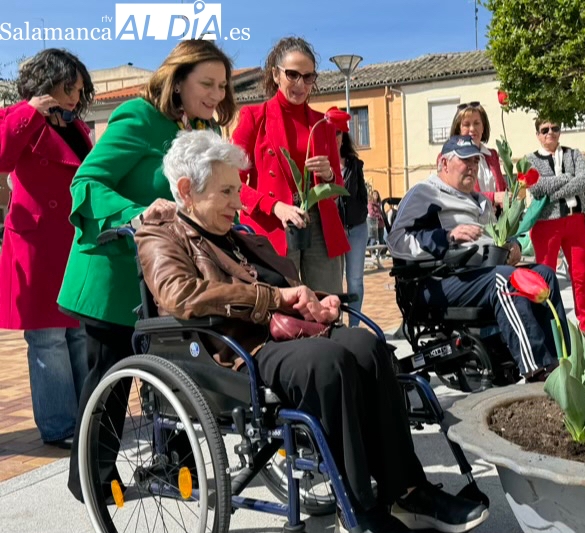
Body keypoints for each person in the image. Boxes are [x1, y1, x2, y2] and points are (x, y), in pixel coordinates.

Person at [135, 130, 489, 533]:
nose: (238, 203)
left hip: (285, 333)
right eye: (227, 192)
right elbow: (180, 294)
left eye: (237, 190)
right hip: (237, 350)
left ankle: (407, 492)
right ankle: (358, 507)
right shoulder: (161, 234)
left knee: (368, 346)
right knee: (329, 363)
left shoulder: (234, 235)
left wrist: (319, 300)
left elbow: (281, 286)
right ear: (186, 190)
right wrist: (274, 299)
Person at [58, 39, 236, 501]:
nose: (217, 94)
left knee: (184, 366)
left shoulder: (200, 128)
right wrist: (135, 212)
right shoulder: (137, 117)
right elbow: (87, 181)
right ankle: (91, 480)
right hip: (114, 273)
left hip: (168, 273)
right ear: (177, 81)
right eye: (207, 83)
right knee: (110, 382)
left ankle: (174, 460)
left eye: (222, 85)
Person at [388, 135, 570, 380]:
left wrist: (513, 246)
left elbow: (499, 237)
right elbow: (396, 240)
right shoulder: (425, 193)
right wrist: (447, 236)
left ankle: (564, 362)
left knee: (543, 275)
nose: (473, 167)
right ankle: (538, 370)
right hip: (439, 279)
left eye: (475, 161)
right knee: (506, 281)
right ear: (443, 163)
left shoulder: (480, 201)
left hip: (479, 273)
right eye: (466, 161)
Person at [0, 49, 94, 449]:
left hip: (72, 240)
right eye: (68, 86)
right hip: (36, 243)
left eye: (79, 88)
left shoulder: (77, 127)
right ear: (46, 83)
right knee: (47, 338)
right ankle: (59, 426)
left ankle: (86, 416)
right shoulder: (15, 119)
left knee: (77, 333)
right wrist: (29, 110)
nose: (75, 96)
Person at [232, 36, 348, 294]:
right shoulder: (253, 117)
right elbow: (231, 183)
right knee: (285, 306)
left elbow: (338, 185)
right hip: (274, 223)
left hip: (320, 224)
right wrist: (275, 206)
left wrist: (328, 173)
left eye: (308, 77)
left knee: (327, 302)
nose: (300, 84)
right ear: (276, 74)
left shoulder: (323, 123)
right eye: (293, 75)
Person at [525, 119, 585, 346]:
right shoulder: (530, 160)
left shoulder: (573, 154)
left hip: (576, 222)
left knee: (581, 276)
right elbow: (536, 188)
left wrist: (555, 189)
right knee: (544, 280)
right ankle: (549, 329)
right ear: (538, 134)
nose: (550, 133)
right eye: (545, 130)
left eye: (555, 128)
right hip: (546, 226)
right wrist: (566, 179)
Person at [338, 130, 369, 326]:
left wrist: (361, 211)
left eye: (338, 133)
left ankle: (354, 326)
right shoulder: (320, 161)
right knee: (333, 280)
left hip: (357, 228)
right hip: (333, 229)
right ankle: (335, 323)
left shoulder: (354, 164)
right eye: (331, 133)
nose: (335, 137)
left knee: (355, 280)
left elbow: (362, 194)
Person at [448, 101, 507, 207]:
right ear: (458, 130)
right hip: (470, 219)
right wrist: (493, 198)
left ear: (483, 127)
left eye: (476, 123)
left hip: (496, 220)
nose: (472, 129)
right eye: (466, 124)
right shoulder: (451, 157)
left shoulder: (492, 155)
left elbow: (501, 187)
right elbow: (457, 193)